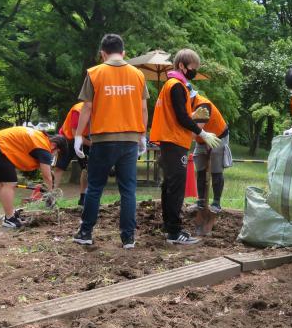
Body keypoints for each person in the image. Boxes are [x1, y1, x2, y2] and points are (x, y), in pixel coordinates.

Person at [72, 33, 148, 248]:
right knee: (128, 190)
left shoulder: (95, 73)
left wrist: (79, 135)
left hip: (103, 139)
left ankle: (86, 232)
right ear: (123, 53)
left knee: (95, 187)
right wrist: (142, 135)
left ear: (102, 54)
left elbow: (87, 107)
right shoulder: (137, 75)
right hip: (130, 139)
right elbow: (143, 108)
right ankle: (128, 238)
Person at [149, 48, 221, 244]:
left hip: (169, 140)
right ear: (182, 66)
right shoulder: (177, 86)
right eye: (193, 68)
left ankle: (169, 227)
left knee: (169, 186)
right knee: (176, 187)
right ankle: (174, 232)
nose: (194, 71)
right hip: (174, 140)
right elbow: (182, 117)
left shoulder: (171, 85)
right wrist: (202, 133)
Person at [0, 126, 64, 228]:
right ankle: (9, 219)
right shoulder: (44, 148)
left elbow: (46, 172)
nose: (54, 154)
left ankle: (9, 215)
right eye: (57, 152)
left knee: (2, 182)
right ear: (54, 145)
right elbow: (47, 177)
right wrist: (50, 195)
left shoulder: (40, 139)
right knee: (9, 183)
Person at [190, 90, 231, 212]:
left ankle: (216, 203)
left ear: (192, 96)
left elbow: (195, 130)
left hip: (218, 136)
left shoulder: (203, 105)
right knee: (200, 168)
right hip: (201, 138)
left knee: (216, 169)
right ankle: (201, 202)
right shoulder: (185, 105)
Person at [56, 101, 90, 206]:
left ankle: (83, 197)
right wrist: (92, 144)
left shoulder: (99, 109)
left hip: (84, 138)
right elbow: (76, 135)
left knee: (87, 168)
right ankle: (51, 196)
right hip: (68, 138)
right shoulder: (78, 110)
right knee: (59, 167)